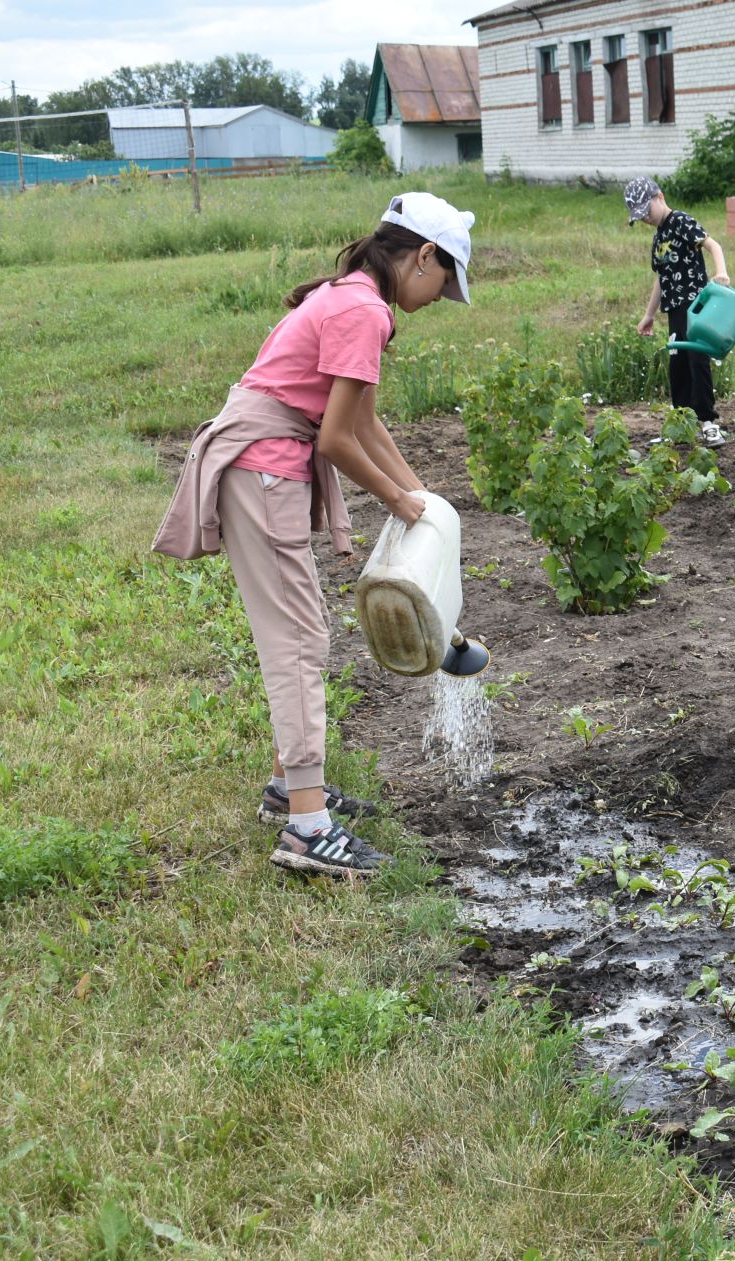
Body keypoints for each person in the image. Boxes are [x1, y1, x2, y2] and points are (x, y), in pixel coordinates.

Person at [152, 193, 475, 879]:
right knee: (299, 642)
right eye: (444, 282)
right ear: (423, 256)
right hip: (265, 471)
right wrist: (395, 499)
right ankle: (305, 829)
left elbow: (366, 423)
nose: (439, 297)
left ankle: (286, 789)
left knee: (299, 635)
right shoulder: (364, 310)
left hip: (263, 467)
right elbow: (334, 438)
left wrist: (422, 501)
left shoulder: (352, 295)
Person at [624, 177, 731, 446]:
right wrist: (649, 315)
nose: (645, 218)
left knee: (697, 360)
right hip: (674, 310)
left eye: (646, 211)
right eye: (640, 216)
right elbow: (661, 279)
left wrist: (721, 272)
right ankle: (680, 425)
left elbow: (712, 245)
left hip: (696, 306)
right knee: (678, 364)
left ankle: (708, 423)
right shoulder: (658, 237)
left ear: (659, 197)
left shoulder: (681, 221)